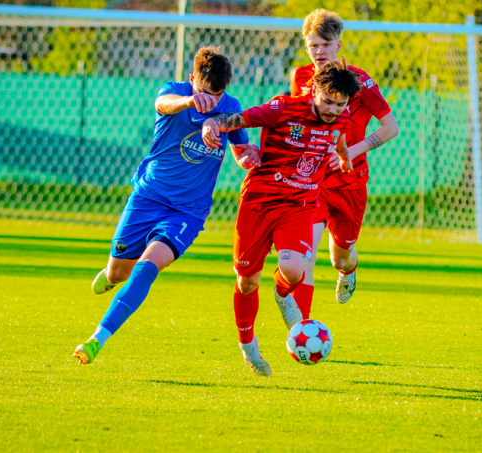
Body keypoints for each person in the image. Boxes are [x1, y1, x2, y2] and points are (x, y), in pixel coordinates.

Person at [73, 46, 260, 364]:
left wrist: (248, 157)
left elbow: (240, 150)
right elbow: (162, 104)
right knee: (120, 272)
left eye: (216, 95)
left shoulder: (231, 109)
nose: (209, 101)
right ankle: (110, 272)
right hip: (147, 198)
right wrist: (190, 101)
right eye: (203, 92)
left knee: (146, 268)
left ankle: (96, 339)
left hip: (187, 212)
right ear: (191, 80)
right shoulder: (175, 94)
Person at [201, 60, 361, 377]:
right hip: (259, 201)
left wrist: (343, 158)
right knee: (247, 282)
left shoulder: (341, 117)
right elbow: (240, 118)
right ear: (314, 90)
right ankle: (248, 346)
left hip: (300, 204)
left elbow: (340, 138)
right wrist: (212, 125)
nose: (333, 109)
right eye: (327, 101)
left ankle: (282, 292)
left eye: (339, 104)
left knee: (292, 268)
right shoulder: (283, 108)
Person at [289, 9, 399, 316]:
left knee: (340, 257)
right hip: (313, 183)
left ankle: (348, 271)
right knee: (304, 256)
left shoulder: (359, 82)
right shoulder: (300, 79)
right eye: (314, 45)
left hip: (350, 183)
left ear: (338, 44)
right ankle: (302, 328)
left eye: (326, 44)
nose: (320, 51)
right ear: (306, 45)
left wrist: (353, 151)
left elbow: (391, 128)